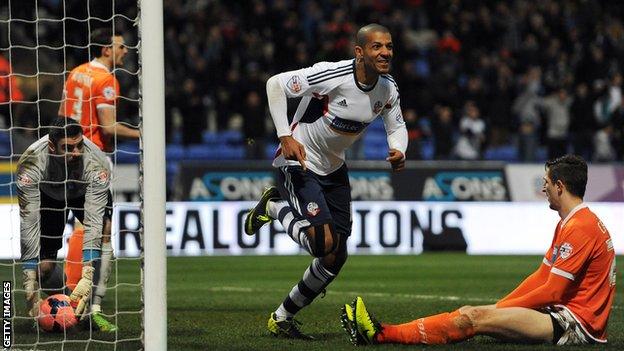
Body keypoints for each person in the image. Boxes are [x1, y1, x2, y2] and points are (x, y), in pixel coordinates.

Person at [342, 154, 615, 346]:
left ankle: (381, 334)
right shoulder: (574, 222)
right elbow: (541, 277)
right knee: (473, 311)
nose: (543, 187)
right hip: (562, 314)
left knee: (473, 317)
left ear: (560, 186)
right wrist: (500, 306)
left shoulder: (580, 227)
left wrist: (499, 309)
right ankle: (382, 332)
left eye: (546, 181)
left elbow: (552, 291)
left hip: (574, 326)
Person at [244, 23, 407, 339]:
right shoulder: (332, 74)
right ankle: (275, 206)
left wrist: (398, 149)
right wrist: (284, 135)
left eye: (389, 46)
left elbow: (396, 125)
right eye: (377, 47)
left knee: (336, 255)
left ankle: (282, 317)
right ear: (359, 52)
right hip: (300, 160)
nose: (385, 52)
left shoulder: (388, 89)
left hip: (334, 168)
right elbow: (275, 85)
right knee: (322, 244)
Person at [58, 27, 140, 332]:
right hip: (92, 159)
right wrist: (144, 133)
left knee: (79, 226)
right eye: (120, 47)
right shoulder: (106, 80)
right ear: (106, 49)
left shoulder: (76, 72)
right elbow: (107, 128)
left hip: (66, 156)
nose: (125, 51)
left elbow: (60, 115)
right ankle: (91, 306)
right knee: (101, 231)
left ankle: (69, 299)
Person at [17, 118, 111, 327]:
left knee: (105, 227)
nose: (76, 152)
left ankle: (95, 308)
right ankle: (69, 304)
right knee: (45, 269)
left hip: (83, 191)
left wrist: (87, 276)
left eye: (79, 145)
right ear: (51, 147)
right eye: (67, 148)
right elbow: (29, 221)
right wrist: (29, 278)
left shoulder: (97, 163)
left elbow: (94, 222)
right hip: (50, 195)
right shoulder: (30, 164)